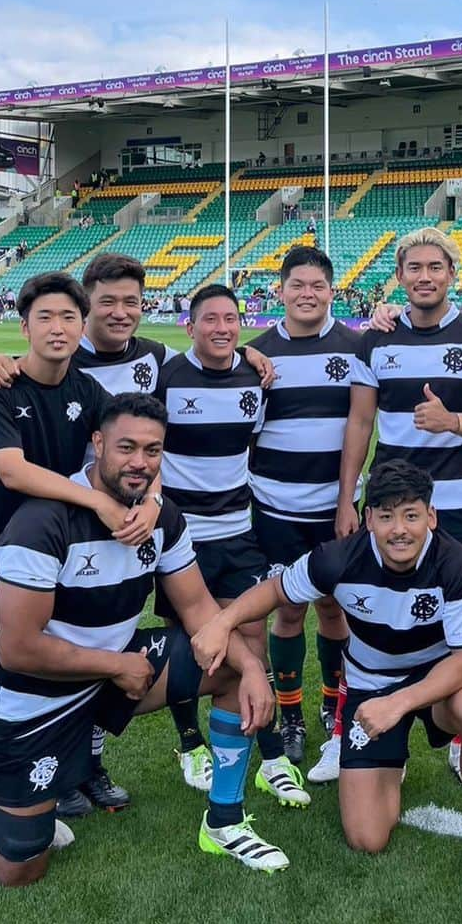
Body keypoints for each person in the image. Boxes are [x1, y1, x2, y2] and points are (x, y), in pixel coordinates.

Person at [0, 393, 287, 894]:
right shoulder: (42, 522)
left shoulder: (162, 518)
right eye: (126, 448)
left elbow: (200, 610)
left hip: (115, 671)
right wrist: (115, 665)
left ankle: (223, 822)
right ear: (97, 444)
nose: (139, 463)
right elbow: (17, 649)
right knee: (18, 867)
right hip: (36, 697)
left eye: (153, 451)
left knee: (225, 665)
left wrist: (249, 669)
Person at [0, 254, 273, 816]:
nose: (119, 314)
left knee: (111, 632)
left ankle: (88, 766)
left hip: (109, 528)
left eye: (132, 303)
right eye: (105, 304)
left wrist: (246, 351)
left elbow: (206, 356)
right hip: (36, 527)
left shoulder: (154, 356)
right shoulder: (59, 361)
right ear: (82, 310)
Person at [0, 273, 163, 902]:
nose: (59, 328)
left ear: (82, 324)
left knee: (36, 679)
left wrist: (150, 495)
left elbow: (133, 448)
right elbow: (12, 472)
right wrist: (95, 503)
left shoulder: (90, 390)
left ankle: (21, 797)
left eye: (70, 317)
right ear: (24, 326)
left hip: (43, 563)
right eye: (45, 317)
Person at [192, 460, 462, 907]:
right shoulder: (339, 558)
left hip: (439, 685)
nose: (399, 530)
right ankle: (392, 764)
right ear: (368, 518)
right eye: (386, 516)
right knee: (367, 837)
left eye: (411, 515)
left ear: (431, 516)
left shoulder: (454, 562)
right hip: (371, 687)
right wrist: (223, 621)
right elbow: (275, 592)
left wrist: (400, 703)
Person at [336, 226, 462, 777]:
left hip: (455, 503)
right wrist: (349, 498)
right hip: (386, 503)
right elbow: (361, 420)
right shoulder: (376, 339)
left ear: (451, 274)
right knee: (368, 607)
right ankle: (354, 719)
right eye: (413, 268)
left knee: (451, 612)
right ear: (399, 277)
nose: (424, 277)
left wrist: (454, 422)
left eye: (435, 268)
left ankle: (452, 727)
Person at [151, 285, 308, 806]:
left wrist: (251, 355)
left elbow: (253, 444)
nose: (222, 328)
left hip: (238, 533)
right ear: (189, 327)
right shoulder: (166, 376)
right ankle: (189, 743)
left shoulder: (252, 376)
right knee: (188, 644)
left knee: (251, 642)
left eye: (231, 319)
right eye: (210, 320)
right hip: (180, 539)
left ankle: (270, 755)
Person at [247, 246, 359, 769]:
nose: (307, 294)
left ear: (331, 291)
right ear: (282, 290)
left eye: (317, 285)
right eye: (298, 285)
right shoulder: (256, 355)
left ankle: (333, 704)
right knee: (288, 609)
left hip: (336, 510)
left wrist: (345, 501)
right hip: (274, 508)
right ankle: (289, 714)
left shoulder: (357, 347)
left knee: (335, 609)